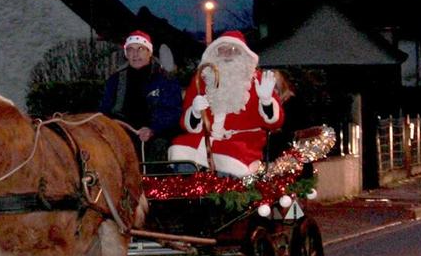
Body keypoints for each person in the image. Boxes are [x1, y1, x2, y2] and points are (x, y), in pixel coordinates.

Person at [168, 30, 284, 177]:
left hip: (243, 143)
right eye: (223, 49)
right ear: (215, 53)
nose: (228, 53)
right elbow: (187, 124)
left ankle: (228, 196)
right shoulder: (203, 79)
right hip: (207, 139)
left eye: (234, 50)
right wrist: (195, 113)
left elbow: (275, 123)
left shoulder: (258, 80)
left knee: (232, 158)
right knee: (180, 147)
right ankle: (191, 194)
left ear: (243, 54)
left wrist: (267, 101)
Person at [99, 30, 182, 161]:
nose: (135, 54)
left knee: (159, 146)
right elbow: (105, 109)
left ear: (149, 52)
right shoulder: (116, 80)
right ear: (126, 54)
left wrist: (153, 129)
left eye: (141, 49)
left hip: (156, 133)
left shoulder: (165, 79)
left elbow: (172, 111)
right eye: (131, 50)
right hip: (122, 131)